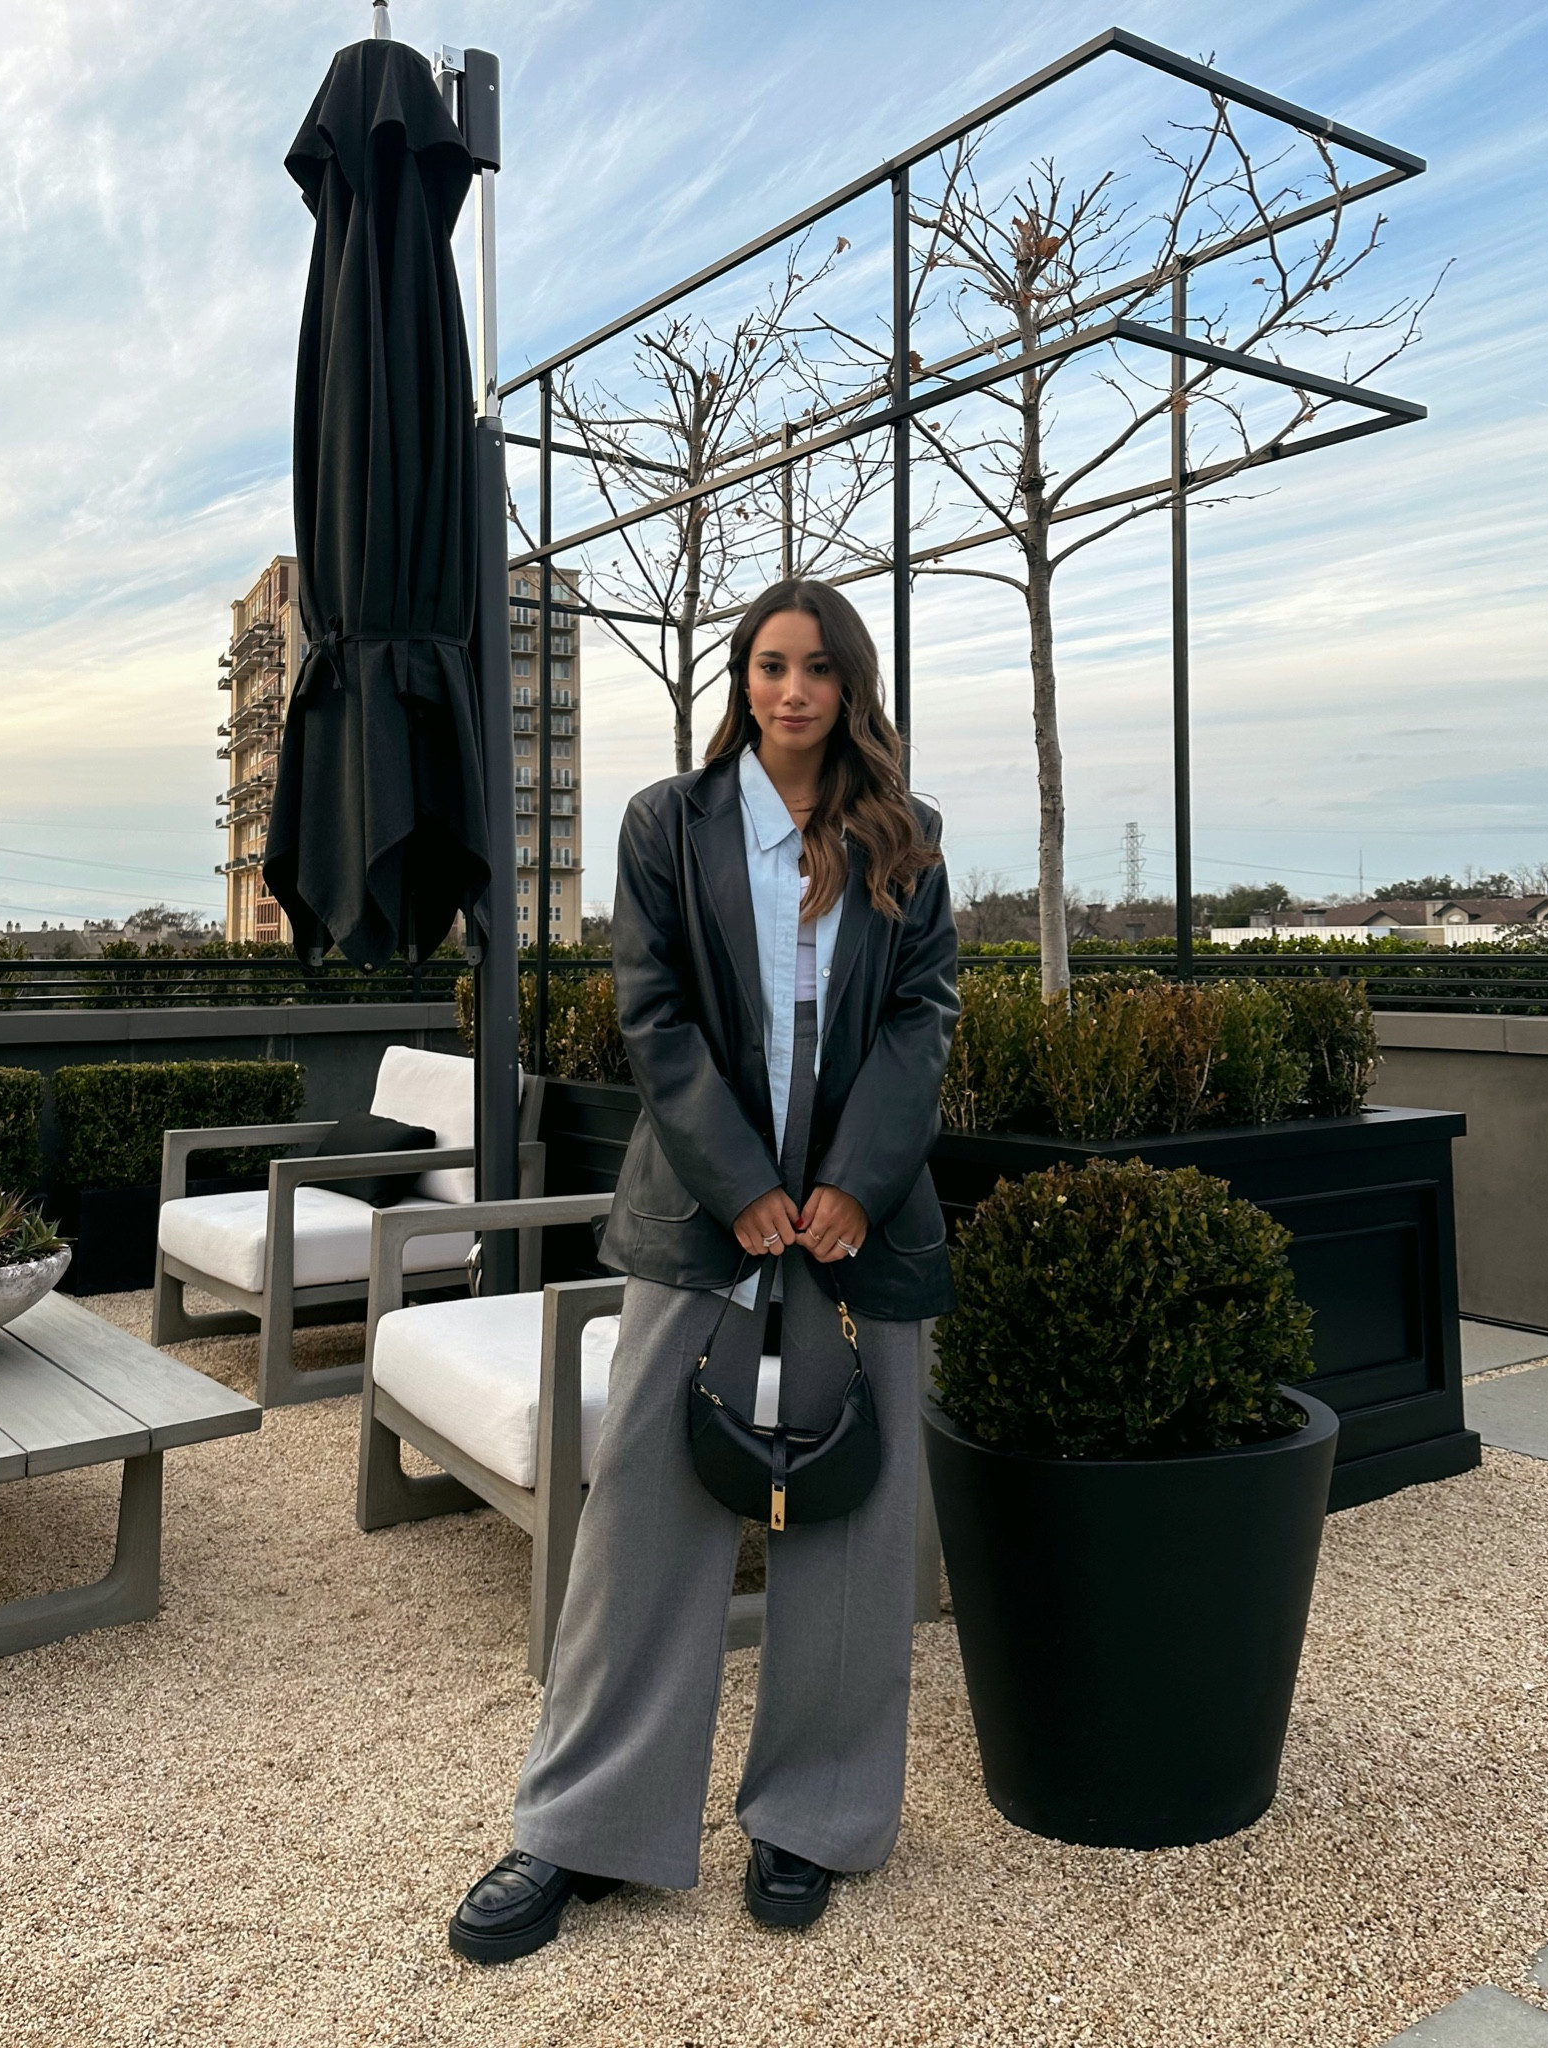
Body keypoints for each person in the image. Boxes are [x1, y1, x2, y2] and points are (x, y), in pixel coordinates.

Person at [448, 578, 959, 1963]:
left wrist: (853, 1182)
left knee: (851, 1526)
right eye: (766, 666)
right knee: (643, 1521)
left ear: (851, 687)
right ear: (740, 680)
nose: (788, 691)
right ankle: (579, 1830)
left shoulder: (905, 842)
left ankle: (816, 1819)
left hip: (866, 1218)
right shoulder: (666, 824)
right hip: (702, 1208)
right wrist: (742, 1186)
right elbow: (652, 1011)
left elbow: (923, 1020)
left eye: (815, 670)